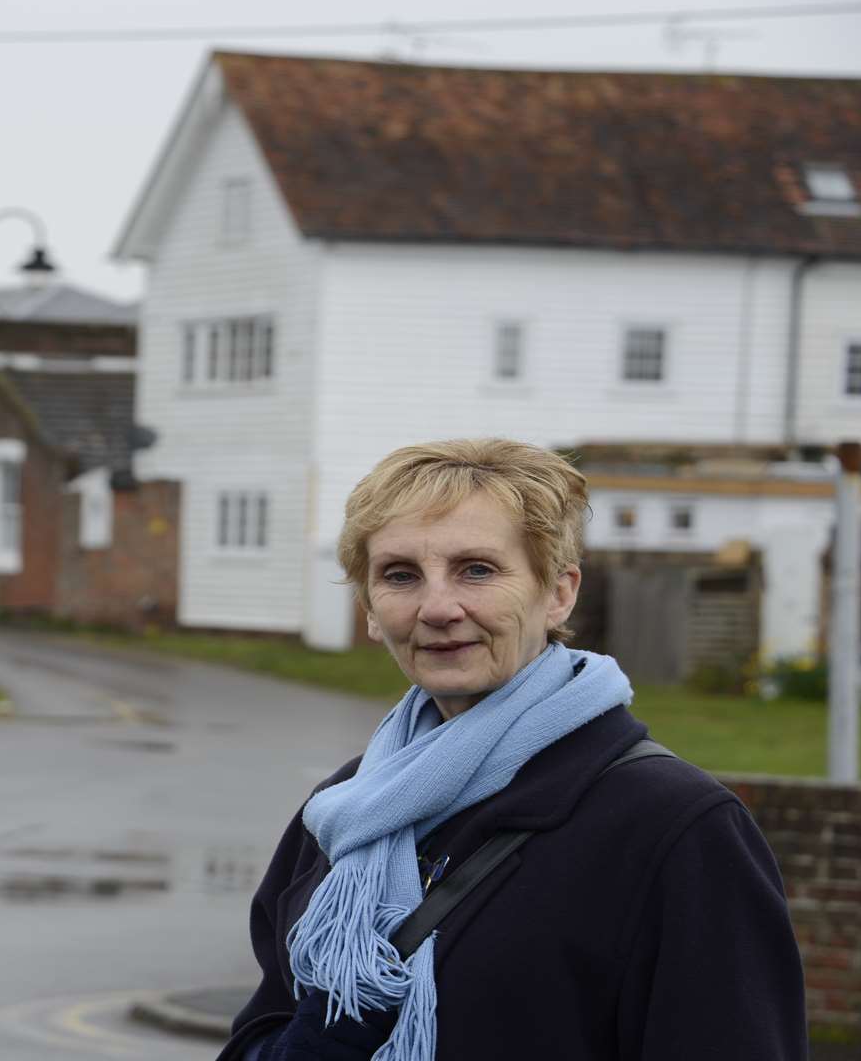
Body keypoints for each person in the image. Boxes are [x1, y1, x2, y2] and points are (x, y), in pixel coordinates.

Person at [221, 439, 805, 1061]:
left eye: (478, 569)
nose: (439, 608)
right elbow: (263, 1024)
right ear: (369, 608)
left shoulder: (675, 827)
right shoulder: (344, 805)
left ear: (558, 593)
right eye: (400, 575)